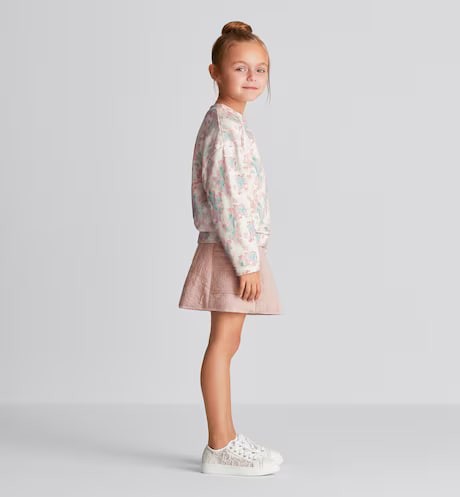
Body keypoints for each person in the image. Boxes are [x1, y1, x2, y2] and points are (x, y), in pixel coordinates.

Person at [178, 20, 284, 477]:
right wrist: (247, 262)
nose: (252, 77)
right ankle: (220, 444)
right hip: (230, 250)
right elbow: (228, 201)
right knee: (222, 345)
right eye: (241, 68)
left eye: (261, 69)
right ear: (215, 72)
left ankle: (224, 439)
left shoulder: (231, 123)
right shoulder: (224, 129)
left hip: (234, 248)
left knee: (227, 343)